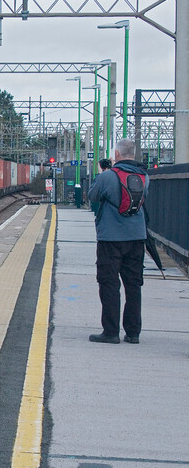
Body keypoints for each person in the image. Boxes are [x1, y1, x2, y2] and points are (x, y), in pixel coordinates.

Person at [87, 138, 148, 344]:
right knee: (134, 285)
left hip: (110, 238)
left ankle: (111, 332)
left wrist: (102, 174)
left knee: (109, 283)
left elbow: (93, 196)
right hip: (137, 237)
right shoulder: (144, 176)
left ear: (118, 155)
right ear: (134, 154)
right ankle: (133, 333)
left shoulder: (108, 176)